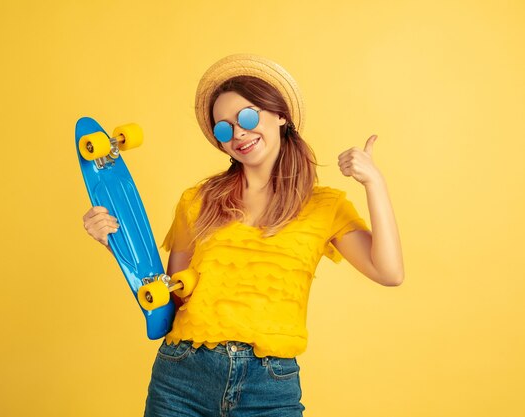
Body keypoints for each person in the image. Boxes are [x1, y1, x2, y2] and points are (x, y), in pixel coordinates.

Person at [82, 54, 404, 417]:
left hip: (269, 387)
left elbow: (389, 273)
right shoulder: (198, 200)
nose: (238, 134)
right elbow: (170, 297)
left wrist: (374, 183)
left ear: (280, 115)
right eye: (223, 129)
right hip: (182, 377)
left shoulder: (324, 206)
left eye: (248, 117)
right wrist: (117, 246)